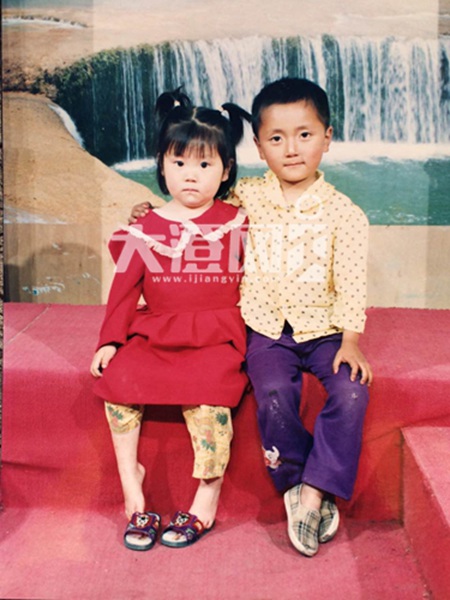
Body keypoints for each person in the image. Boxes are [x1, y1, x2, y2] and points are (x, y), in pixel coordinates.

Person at [130, 77, 373, 557]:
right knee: (275, 392)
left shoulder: (346, 215)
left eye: (305, 135)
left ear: (327, 138)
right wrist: (153, 211)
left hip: (326, 331)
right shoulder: (247, 197)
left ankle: (315, 490)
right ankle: (292, 480)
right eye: (276, 138)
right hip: (265, 329)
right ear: (259, 147)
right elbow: (196, 207)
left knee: (351, 391)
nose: (291, 149)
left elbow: (351, 283)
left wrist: (351, 341)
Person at [91, 88, 250, 551]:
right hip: (159, 329)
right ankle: (132, 487)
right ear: (162, 164)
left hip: (217, 336)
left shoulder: (240, 222)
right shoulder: (144, 229)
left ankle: (206, 496)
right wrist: (109, 341)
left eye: (205, 165)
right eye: (179, 162)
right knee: (119, 383)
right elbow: (124, 291)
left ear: (226, 170)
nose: (191, 175)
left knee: (210, 398)